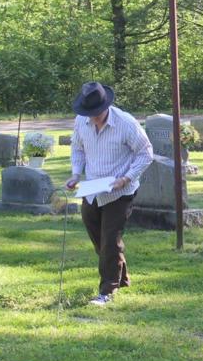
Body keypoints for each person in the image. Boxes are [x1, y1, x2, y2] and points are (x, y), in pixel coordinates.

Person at [65, 81, 154, 306]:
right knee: (98, 238)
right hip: (93, 189)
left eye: (96, 113)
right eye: (89, 114)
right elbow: (77, 148)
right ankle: (121, 278)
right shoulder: (81, 122)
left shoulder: (126, 123)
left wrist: (126, 178)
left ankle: (107, 291)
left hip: (120, 191)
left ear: (105, 106)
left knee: (110, 240)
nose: (93, 118)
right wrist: (76, 174)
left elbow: (146, 153)